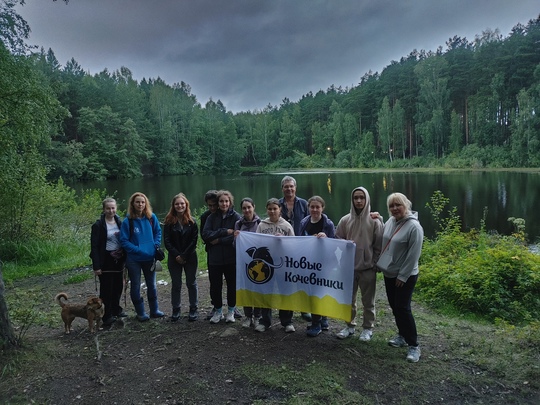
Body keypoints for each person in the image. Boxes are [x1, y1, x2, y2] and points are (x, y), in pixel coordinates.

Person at [377, 192, 424, 363]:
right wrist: (377, 218)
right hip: (390, 273)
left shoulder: (414, 227)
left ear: (406, 205)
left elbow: (413, 255)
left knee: (403, 308)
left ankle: (414, 345)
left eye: (398, 205)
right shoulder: (390, 221)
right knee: (394, 306)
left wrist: (403, 276)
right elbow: (386, 237)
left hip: (405, 275)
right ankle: (402, 335)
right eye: (391, 206)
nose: (395, 208)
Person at [335, 187, 383, 341]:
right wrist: (345, 243)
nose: (359, 200)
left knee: (368, 301)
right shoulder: (345, 220)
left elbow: (379, 245)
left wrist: (374, 263)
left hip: (368, 268)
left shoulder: (374, 221)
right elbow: (337, 239)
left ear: (367, 199)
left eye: (362, 197)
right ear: (352, 199)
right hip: (349, 268)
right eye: (356, 197)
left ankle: (368, 328)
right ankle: (349, 325)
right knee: (349, 300)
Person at [120, 192, 164, 321]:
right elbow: (124, 241)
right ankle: (140, 313)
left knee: (152, 284)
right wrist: (138, 250)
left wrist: (155, 245)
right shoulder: (128, 221)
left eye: (143, 202)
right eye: (137, 202)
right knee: (135, 285)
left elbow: (158, 232)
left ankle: (154, 310)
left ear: (146, 204)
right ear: (133, 204)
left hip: (150, 258)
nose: (140, 204)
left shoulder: (151, 217)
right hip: (134, 259)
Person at [254, 198, 296, 333]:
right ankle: (264, 321)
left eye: (275, 209)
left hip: (283, 264)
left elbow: (294, 245)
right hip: (266, 265)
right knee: (266, 292)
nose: (272, 211)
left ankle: (287, 321)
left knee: (285, 291)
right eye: (270, 209)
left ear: (280, 210)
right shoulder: (261, 225)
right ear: (267, 210)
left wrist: (283, 240)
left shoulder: (286, 226)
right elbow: (256, 243)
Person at [202, 190, 241, 324]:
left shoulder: (236, 217)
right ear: (218, 203)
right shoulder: (211, 217)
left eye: (226, 201)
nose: (224, 203)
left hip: (231, 257)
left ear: (230, 202)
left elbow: (236, 236)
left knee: (232, 285)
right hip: (215, 259)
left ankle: (231, 311)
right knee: (215, 286)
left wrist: (219, 240)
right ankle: (218, 311)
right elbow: (206, 234)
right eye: (221, 201)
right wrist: (224, 231)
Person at [298, 196, 335, 337]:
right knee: (312, 292)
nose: (314, 210)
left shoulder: (328, 224)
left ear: (322, 208)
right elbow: (300, 242)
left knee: (320, 292)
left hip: (323, 264)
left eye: (317, 207)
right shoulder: (303, 222)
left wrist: (326, 239)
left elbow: (335, 244)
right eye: (312, 207)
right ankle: (321, 320)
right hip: (308, 263)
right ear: (308, 208)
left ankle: (317, 324)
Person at [278, 175, 312, 322]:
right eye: (286, 186)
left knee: (303, 280)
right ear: (282, 189)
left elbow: (314, 220)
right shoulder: (277, 205)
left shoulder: (304, 204)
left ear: (295, 188)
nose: (289, 189)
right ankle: (287, 312)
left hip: (301, 248)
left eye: (291, 186)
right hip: (283, 250)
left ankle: (305, 310)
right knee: (286, 280)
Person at [90, 197, 126, 326]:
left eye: (113, 208)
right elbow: (94, 246)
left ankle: (116, 309)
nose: (111, 211)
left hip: (119, 259)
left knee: (118, 286)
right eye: (108, 208)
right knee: (107, 288)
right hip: (105, 260)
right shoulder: (98, 225)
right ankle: (107, 315)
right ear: (103, 209)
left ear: (116, 208)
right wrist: (96, 266)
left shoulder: (120, 222)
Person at [163, 193, 199, 322]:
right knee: (176, 284)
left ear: (186, 205)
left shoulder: (192, 221)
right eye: (177, 204)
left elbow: (194, 240)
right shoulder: (168, 222)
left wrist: (184, 255)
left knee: (191, 282)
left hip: (190, 256)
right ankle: (176, 309)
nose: (180, 206)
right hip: (174, 258)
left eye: (182, 203)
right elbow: (167, 241)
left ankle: (193, 308)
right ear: (173, 206)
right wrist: (177, 255)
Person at [233, 197, 262, 328]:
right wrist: (236, 238)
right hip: (244, 262)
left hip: (258, 263)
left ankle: (258, 316)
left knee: (258, 289)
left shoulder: (261, 223)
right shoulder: (238, 224)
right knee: (246, 289)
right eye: (244, 208)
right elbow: (235, 245)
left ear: (254, 207)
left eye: (249, 207)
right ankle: (247, 316)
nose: (246, 210)